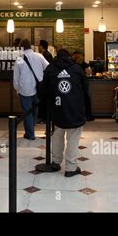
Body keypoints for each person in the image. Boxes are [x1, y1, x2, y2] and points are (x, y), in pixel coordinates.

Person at [42, 49, 86, 177]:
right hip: (74, 110)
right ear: (69, 57)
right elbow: (85, 90)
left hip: (57, 109)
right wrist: (87, 111)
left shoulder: (50, 69)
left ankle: (56, 162)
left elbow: (44, 89)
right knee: (73, 138)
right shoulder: (77, 69)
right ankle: (71, 168)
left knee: (57, 135)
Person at [13, 39, 49, 140]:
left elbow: (16, 76)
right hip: (38, 88)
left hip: (25, 89)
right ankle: (31, 128)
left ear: (22, 47)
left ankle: (30, 134)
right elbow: (48, 67)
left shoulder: (19, 59)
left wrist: (16, 88)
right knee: (34, 110)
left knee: (27, 111)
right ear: (30, 46)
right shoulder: (39, 56)